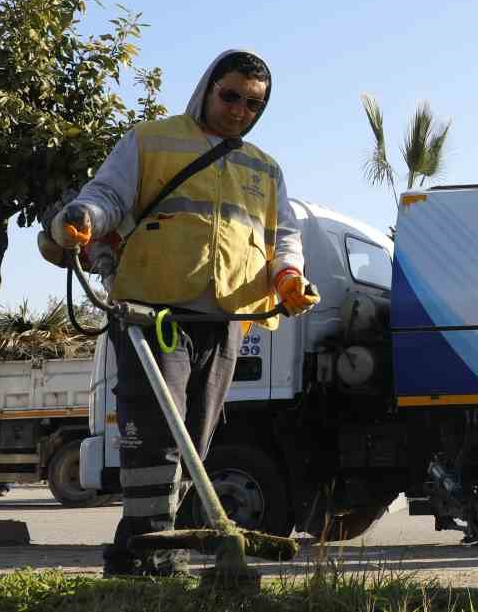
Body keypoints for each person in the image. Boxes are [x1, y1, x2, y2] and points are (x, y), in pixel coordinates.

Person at [49, 49, 319, 576]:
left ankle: (145, 545)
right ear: (207, 89)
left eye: (253, 104)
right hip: (153, 312)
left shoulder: (263, 168)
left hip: (224, 317)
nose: (241, 110)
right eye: (231, 96)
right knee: (155, 434)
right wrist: (83, 215)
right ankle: (149, 547)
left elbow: (282, 236)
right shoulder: (152, 140)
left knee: (196, 435)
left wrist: (288, 276)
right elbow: (108, 195)